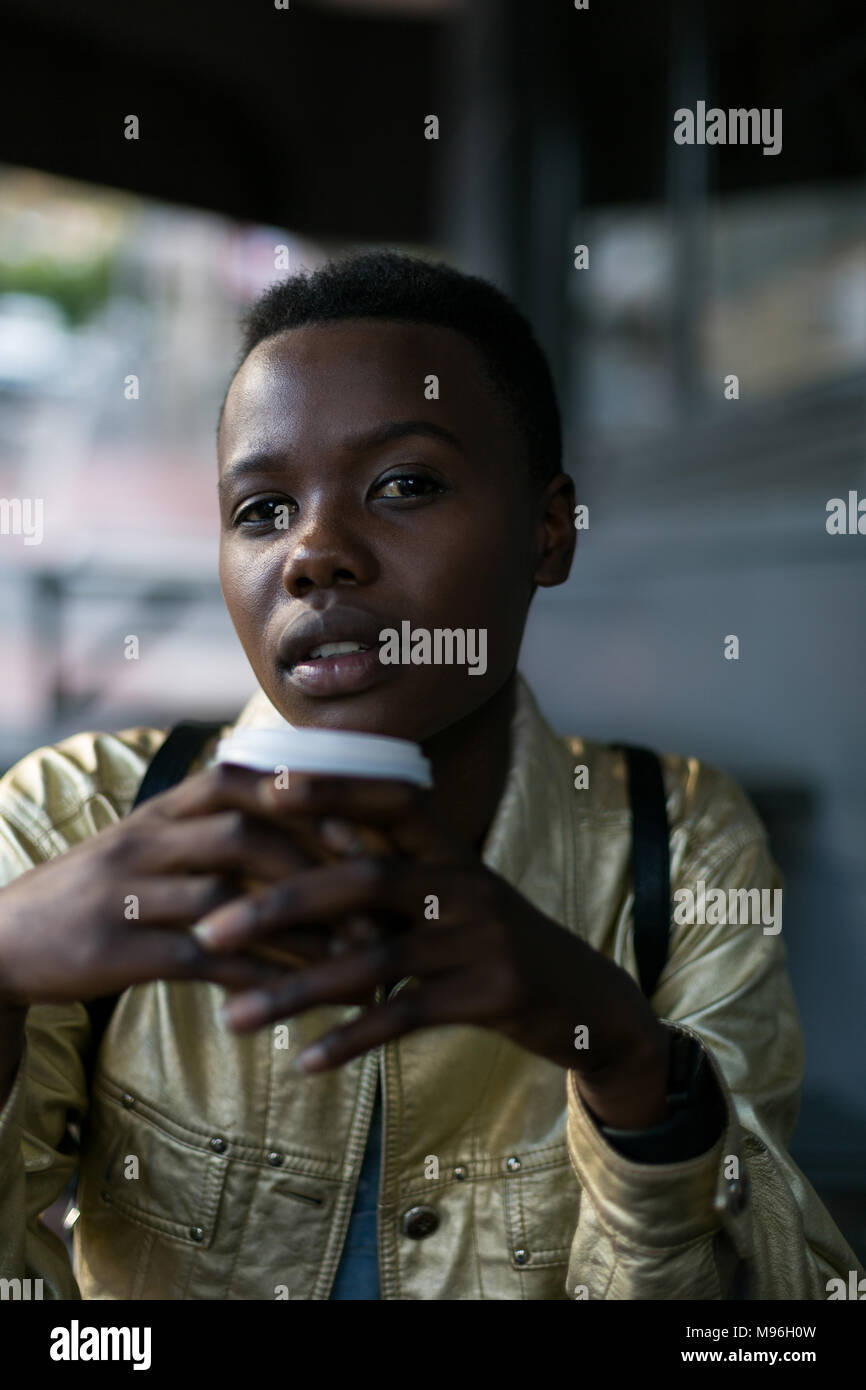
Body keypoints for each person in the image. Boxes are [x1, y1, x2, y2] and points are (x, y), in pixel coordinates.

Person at [0, 250, 861, 1301]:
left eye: (403, 485)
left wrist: (630, 1063)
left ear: (549, 531)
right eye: (261, 510)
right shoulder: (74, 818)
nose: (313, 553)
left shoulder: (674, 844)